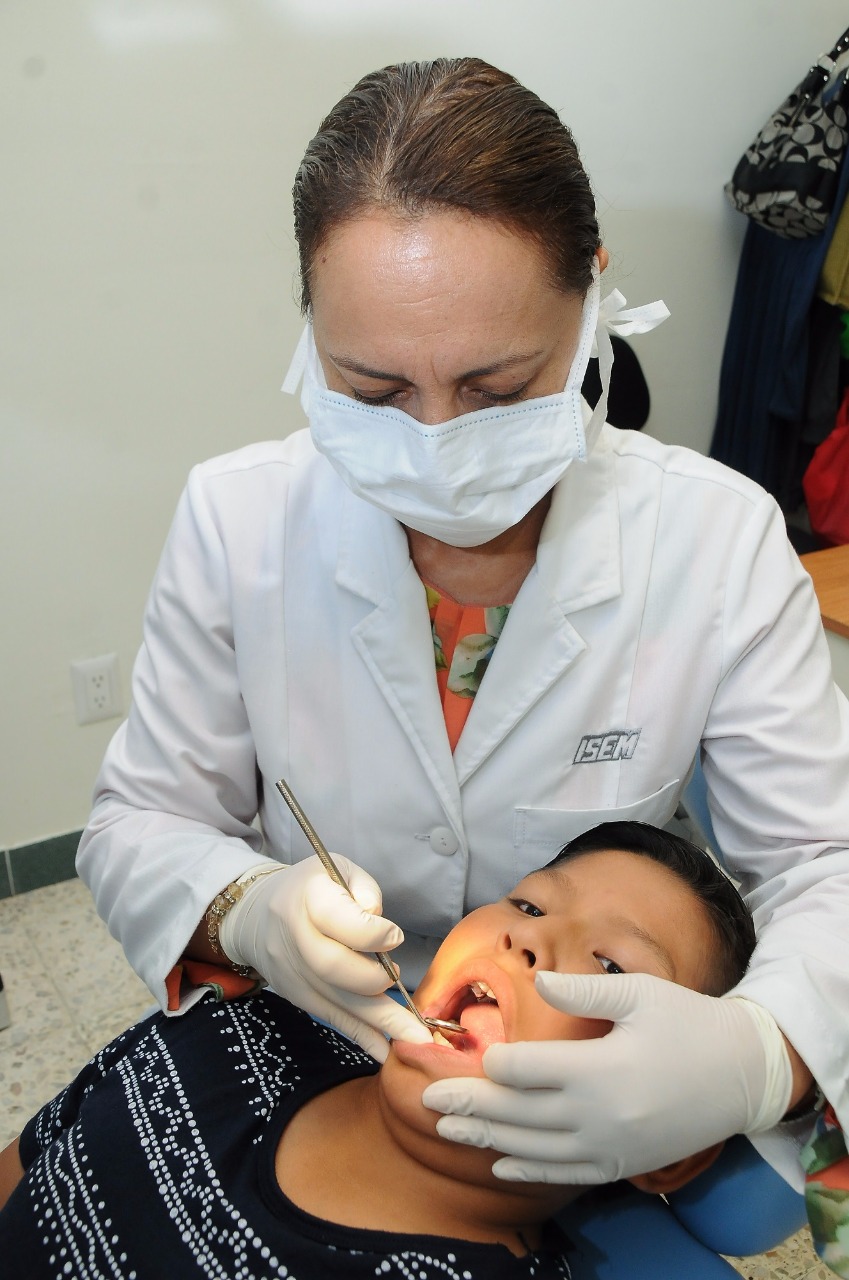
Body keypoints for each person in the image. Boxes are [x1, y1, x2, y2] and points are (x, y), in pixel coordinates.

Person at [75, 56, 849, 1275]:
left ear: (590, 305)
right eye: (372, 388)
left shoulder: (717, 538)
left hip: (584, 1047)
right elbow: (141, 819)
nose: (435, 442)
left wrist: (759, 1051)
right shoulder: (239, 520)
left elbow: (821, 859)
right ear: (310, 338)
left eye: (497, 388)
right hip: (314, 1026)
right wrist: (253, 910)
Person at [2, 824, 758, 1278]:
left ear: (668, 1145)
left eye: (612, 968)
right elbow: (26, 1164)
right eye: (528, 902)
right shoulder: (240, 1023)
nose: (529, 936)